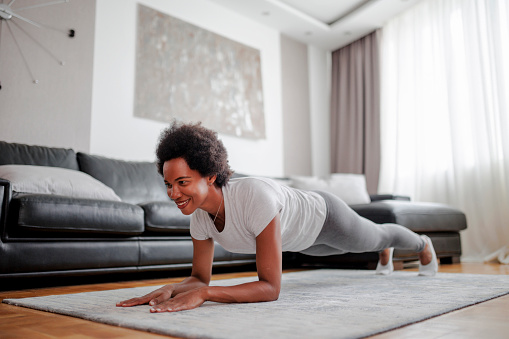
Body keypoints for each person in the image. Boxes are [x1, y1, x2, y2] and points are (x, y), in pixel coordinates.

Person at [117, 121, 438, 313]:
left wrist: (205, 294)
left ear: (211, 175)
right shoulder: (199, 218)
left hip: (325, 217)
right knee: (351, 250)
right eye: (168, 185)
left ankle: (421, 243)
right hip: (300, 240)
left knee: (376, 236)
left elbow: (270, 288)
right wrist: (173, 288)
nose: (173, 194)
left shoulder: (253, 197)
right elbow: (200, 278)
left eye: (182, 183)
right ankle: (381, 249)